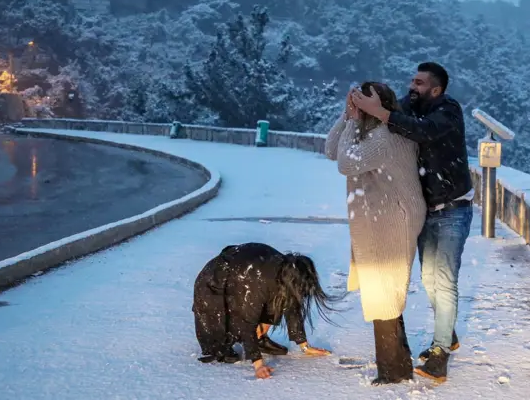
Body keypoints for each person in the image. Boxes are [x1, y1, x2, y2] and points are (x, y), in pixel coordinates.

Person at [351, 62, 473, 383]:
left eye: (419, 83)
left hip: (453, 209)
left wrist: (382, 113)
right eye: (412, 80)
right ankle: (448, 333)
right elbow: (390, 114)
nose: (412, 86)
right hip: (425, 209)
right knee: (430, 279)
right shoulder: (410, 106)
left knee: (442, 281)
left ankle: (441, 352)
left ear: (436, 89)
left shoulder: (448, 110)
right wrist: (361, 108)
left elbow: (423, 131)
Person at [324, 81, 427, 386]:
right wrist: (347, 115)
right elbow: (332, 149)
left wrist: (355, 120)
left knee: (384, 290)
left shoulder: (386, 136)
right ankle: (397, 363)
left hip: (393, 218)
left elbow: (345, 163)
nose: (357, 107)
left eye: (362, 102)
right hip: (380, 216)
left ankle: (393, 371)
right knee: (383, 290)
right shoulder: (371, 132)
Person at [192, 243, 337, 380]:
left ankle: (259, 338)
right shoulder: (258, 280)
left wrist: (305, 346)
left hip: (243, 278)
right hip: (212, 287)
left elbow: (292, 304)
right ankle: (241, 341)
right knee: (220, 351)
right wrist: (258, 364)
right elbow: (246, 319)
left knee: (280, 298)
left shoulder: (285, 272)